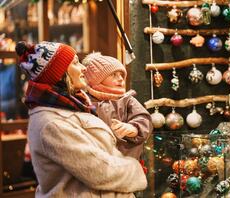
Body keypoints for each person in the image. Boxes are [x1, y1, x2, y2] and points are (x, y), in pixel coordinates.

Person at [15, 41, 147, 197]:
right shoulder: (52, 123)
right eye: (76, 63)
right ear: (60, 74)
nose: (84, 67)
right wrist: (135, 169)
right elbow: (100, 171)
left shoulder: (75, 106)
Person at [82, 52, 153, 160]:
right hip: (95, 161)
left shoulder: (126, 99)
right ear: (97, 79)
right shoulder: (85, 101)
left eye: (121, 75)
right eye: (113, 75)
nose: (120, 79)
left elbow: (143, 118)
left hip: (126, 162)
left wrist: (134, 128)